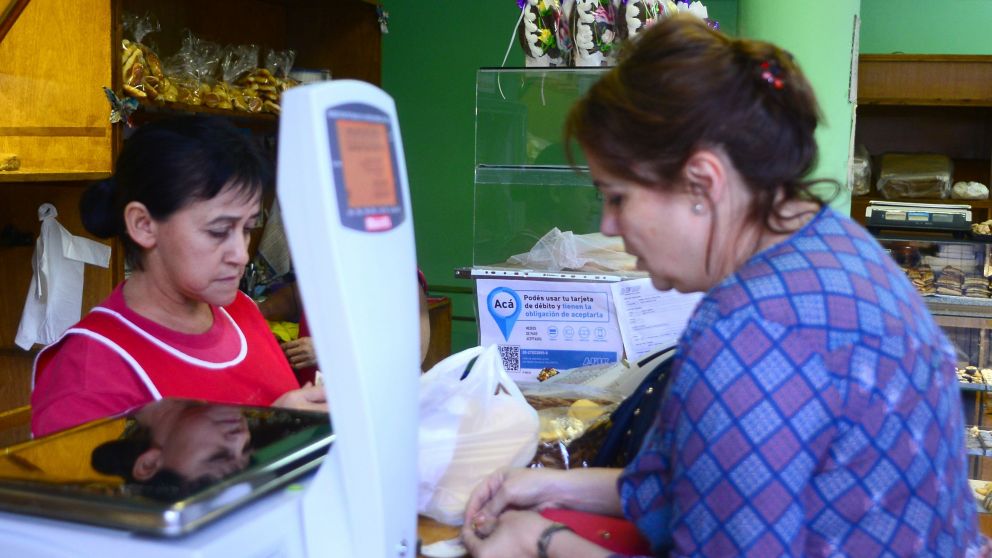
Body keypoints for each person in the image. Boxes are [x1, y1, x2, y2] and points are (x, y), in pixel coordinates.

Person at [462, 16, 979, 557]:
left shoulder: (750, 333)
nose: (609, 226)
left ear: (704, 184)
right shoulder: (835, 245)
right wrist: (548, 483)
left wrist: (539, 543)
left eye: (617, 197)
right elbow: (708, 482)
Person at [30, 116, 325, 438]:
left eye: (248, 229)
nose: (240, 254)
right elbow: (90, 489)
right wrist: (275, 432)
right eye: (218, 231)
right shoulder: (90, 373)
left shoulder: (240, 310)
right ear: (143, 224)